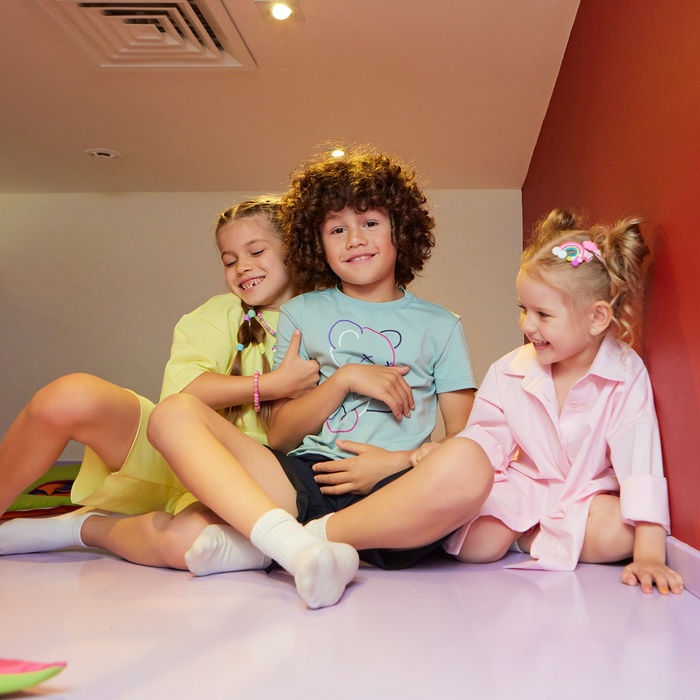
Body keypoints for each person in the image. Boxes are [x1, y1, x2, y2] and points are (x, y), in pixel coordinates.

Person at [143, 147, 493, 607]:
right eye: (337, 229)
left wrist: (399, 462)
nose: (354, 240)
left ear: (400, 229)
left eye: (370, 222)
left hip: (392, 492)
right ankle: (294, 544)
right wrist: (343, 379)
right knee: (172, 414)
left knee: (472, 462)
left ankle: (296, 542)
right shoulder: (301, 312)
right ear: (317, 243)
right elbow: (280, 433)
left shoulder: (441, 325)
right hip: (304, 478)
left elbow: (466, 433)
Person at [0, 196, 320, 577]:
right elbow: (183, 396)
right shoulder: (220, 313)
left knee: (188, 547)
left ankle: (80, 527)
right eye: (229, 260)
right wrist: (272, 384)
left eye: (256, 251)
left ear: (293, 250)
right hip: (171, 452)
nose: (242, 267)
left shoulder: (329, 318)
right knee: (68, 397)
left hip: (248, 479)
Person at [441, 209, 684, 595]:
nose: (527, 325)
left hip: (587, 496)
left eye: (543, 314)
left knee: (622, 534)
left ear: (596, 318)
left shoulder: (625, 372)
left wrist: (650, 554)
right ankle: (533, 535)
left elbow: (640, 462)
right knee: (477, 546)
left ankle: (534, 538)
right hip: (525, 485)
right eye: (524, 309)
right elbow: (484, 443)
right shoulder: (508, 370)